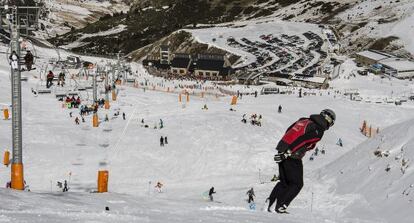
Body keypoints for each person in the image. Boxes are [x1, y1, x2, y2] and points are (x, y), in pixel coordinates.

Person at [268, 109, 336, 214]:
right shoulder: (319, 130)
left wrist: (284, 148)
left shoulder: (304, 120)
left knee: (284, 182)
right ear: (329, 121)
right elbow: (303, 140)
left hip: (283, 146)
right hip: (292, 154)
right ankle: (281, 206)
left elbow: (289, 130)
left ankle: (269, 203)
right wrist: (288, 152)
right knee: (297, 184)